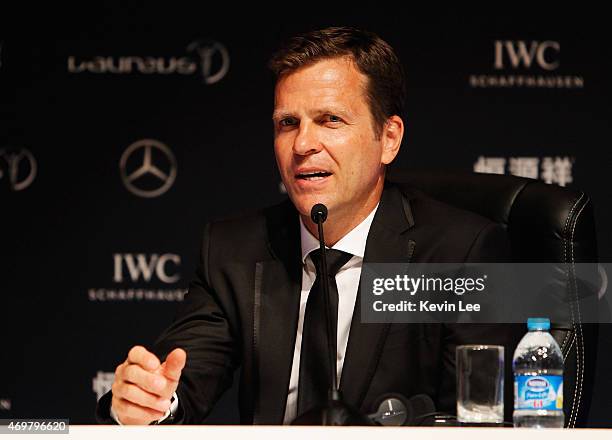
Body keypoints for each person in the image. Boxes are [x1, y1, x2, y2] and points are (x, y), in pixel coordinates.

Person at [96, 26, 520, 425]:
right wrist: (148, 400)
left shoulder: (459, 255)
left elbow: (478, 420)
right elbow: (183, 378)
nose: (302, 145)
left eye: (330, 120)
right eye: (288, 123)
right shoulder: (235, 250)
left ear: (388, 138)